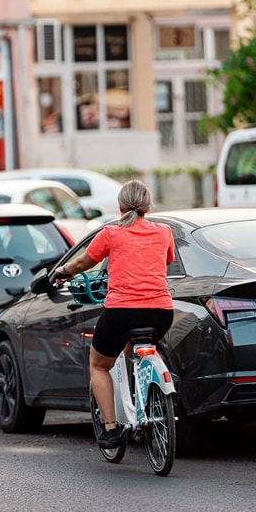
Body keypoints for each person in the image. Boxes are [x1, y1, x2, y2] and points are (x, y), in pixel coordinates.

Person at [54, 180, 174, 449]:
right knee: (140, 348)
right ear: (147, 205)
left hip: (122, 311)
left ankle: (111, 428)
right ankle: (149, 396)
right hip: (161, 311)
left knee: (98, 364)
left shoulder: (111, 233)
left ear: (120, 206)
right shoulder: (164, 232)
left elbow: (85, 261)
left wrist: (63, 272)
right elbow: (167, 259)